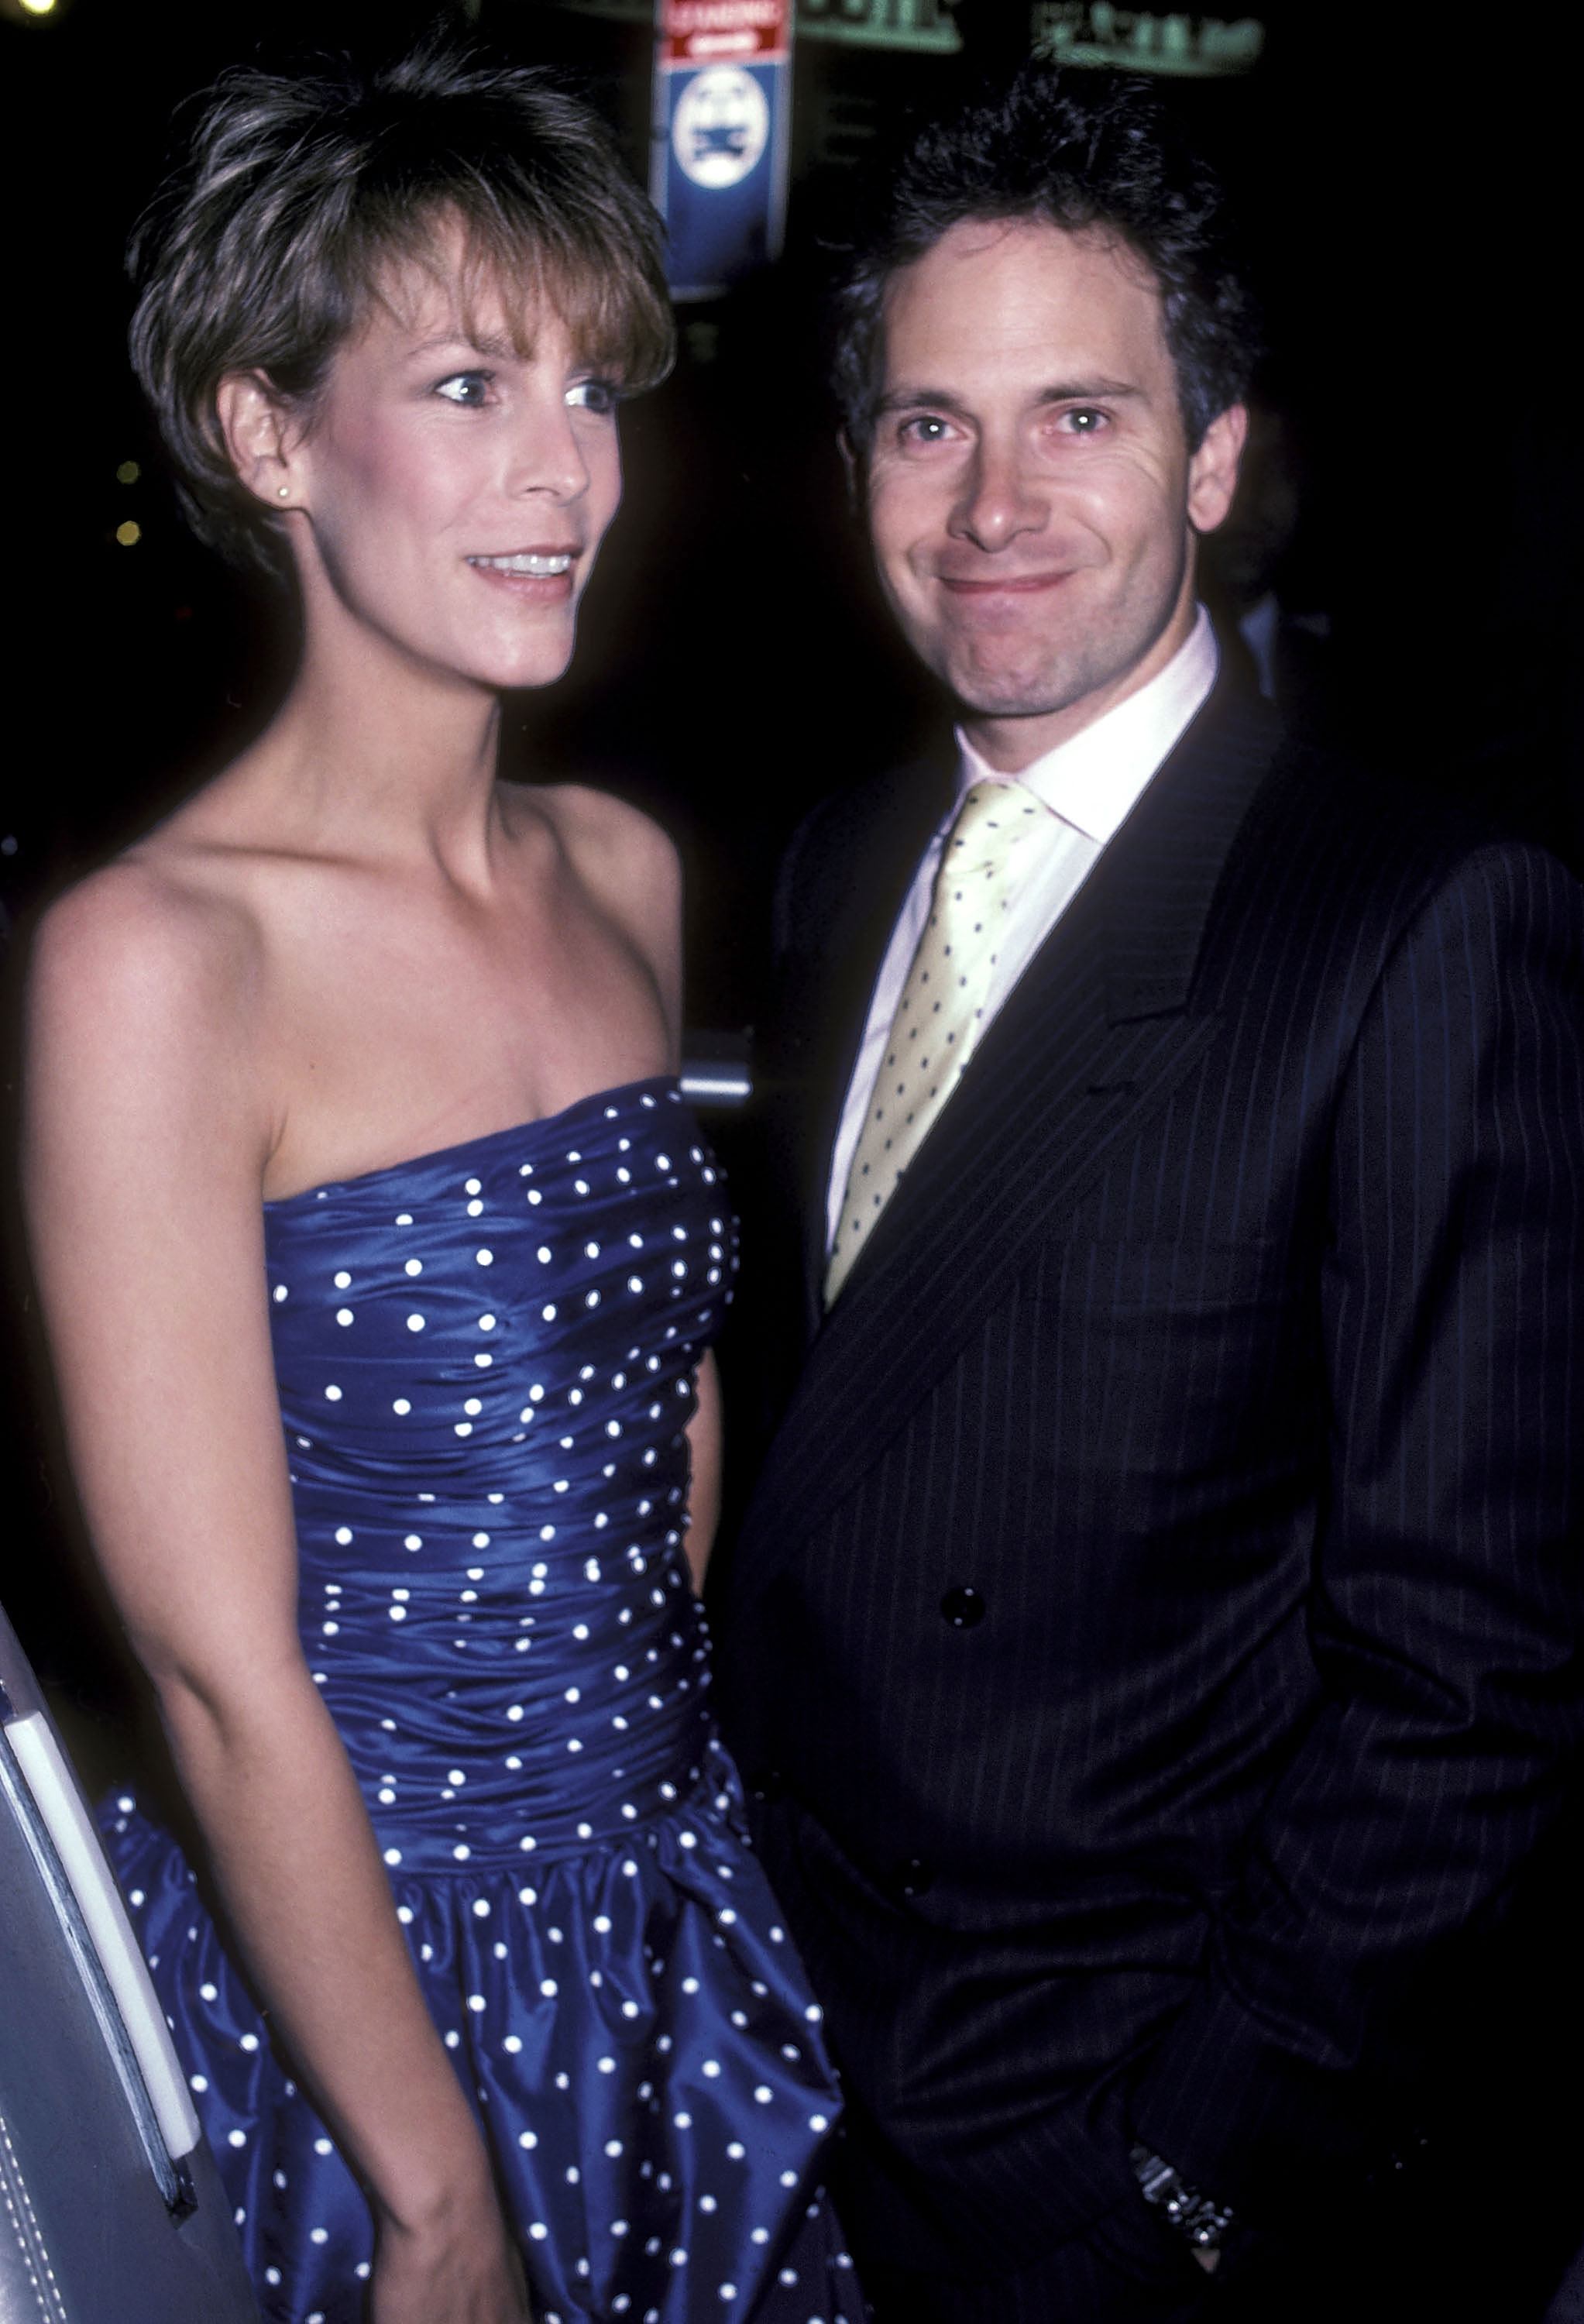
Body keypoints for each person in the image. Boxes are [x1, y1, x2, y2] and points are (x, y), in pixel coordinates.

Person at [715, 64, 1584, 2323]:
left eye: (1080, 419)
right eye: (928, 426)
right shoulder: (840, 863)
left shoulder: (1417, 917)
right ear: (856, 473)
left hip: (1123, 2159)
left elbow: (1471, 1681)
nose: (994, 501)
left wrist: (1204, 2165)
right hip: (801, 2072)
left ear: (1212, 457)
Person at [20, 48, 857, 2324]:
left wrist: (677, 1828)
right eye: (468, 381)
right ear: (266, 432)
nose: (562, 467)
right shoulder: (160, 961)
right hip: (374, 1979)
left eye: (591, 386)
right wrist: (432, 2190)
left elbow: (666, 1421)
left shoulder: (623, 871)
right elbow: (211, 1671)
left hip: (675, 1903)